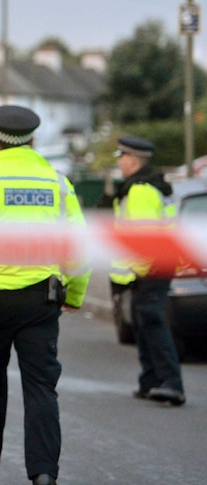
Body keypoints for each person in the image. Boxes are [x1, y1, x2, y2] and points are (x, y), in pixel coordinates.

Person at [0, 105, 91, 485]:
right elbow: (78, 248)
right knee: (42, 388)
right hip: (40, 302)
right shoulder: (57, 182)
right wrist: (74, 293)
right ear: (32, 140)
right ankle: (44, 474)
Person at [109, 136, 185, 406]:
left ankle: (171, 384)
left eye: (121, 157)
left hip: (149, 269)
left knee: (151, 321)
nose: (119, 162)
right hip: (156, 266)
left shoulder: (140, 190)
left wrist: (136, 273)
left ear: (132, 160)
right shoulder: (150, 186)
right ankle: (151, 380)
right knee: (143, 322)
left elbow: (142, 237)